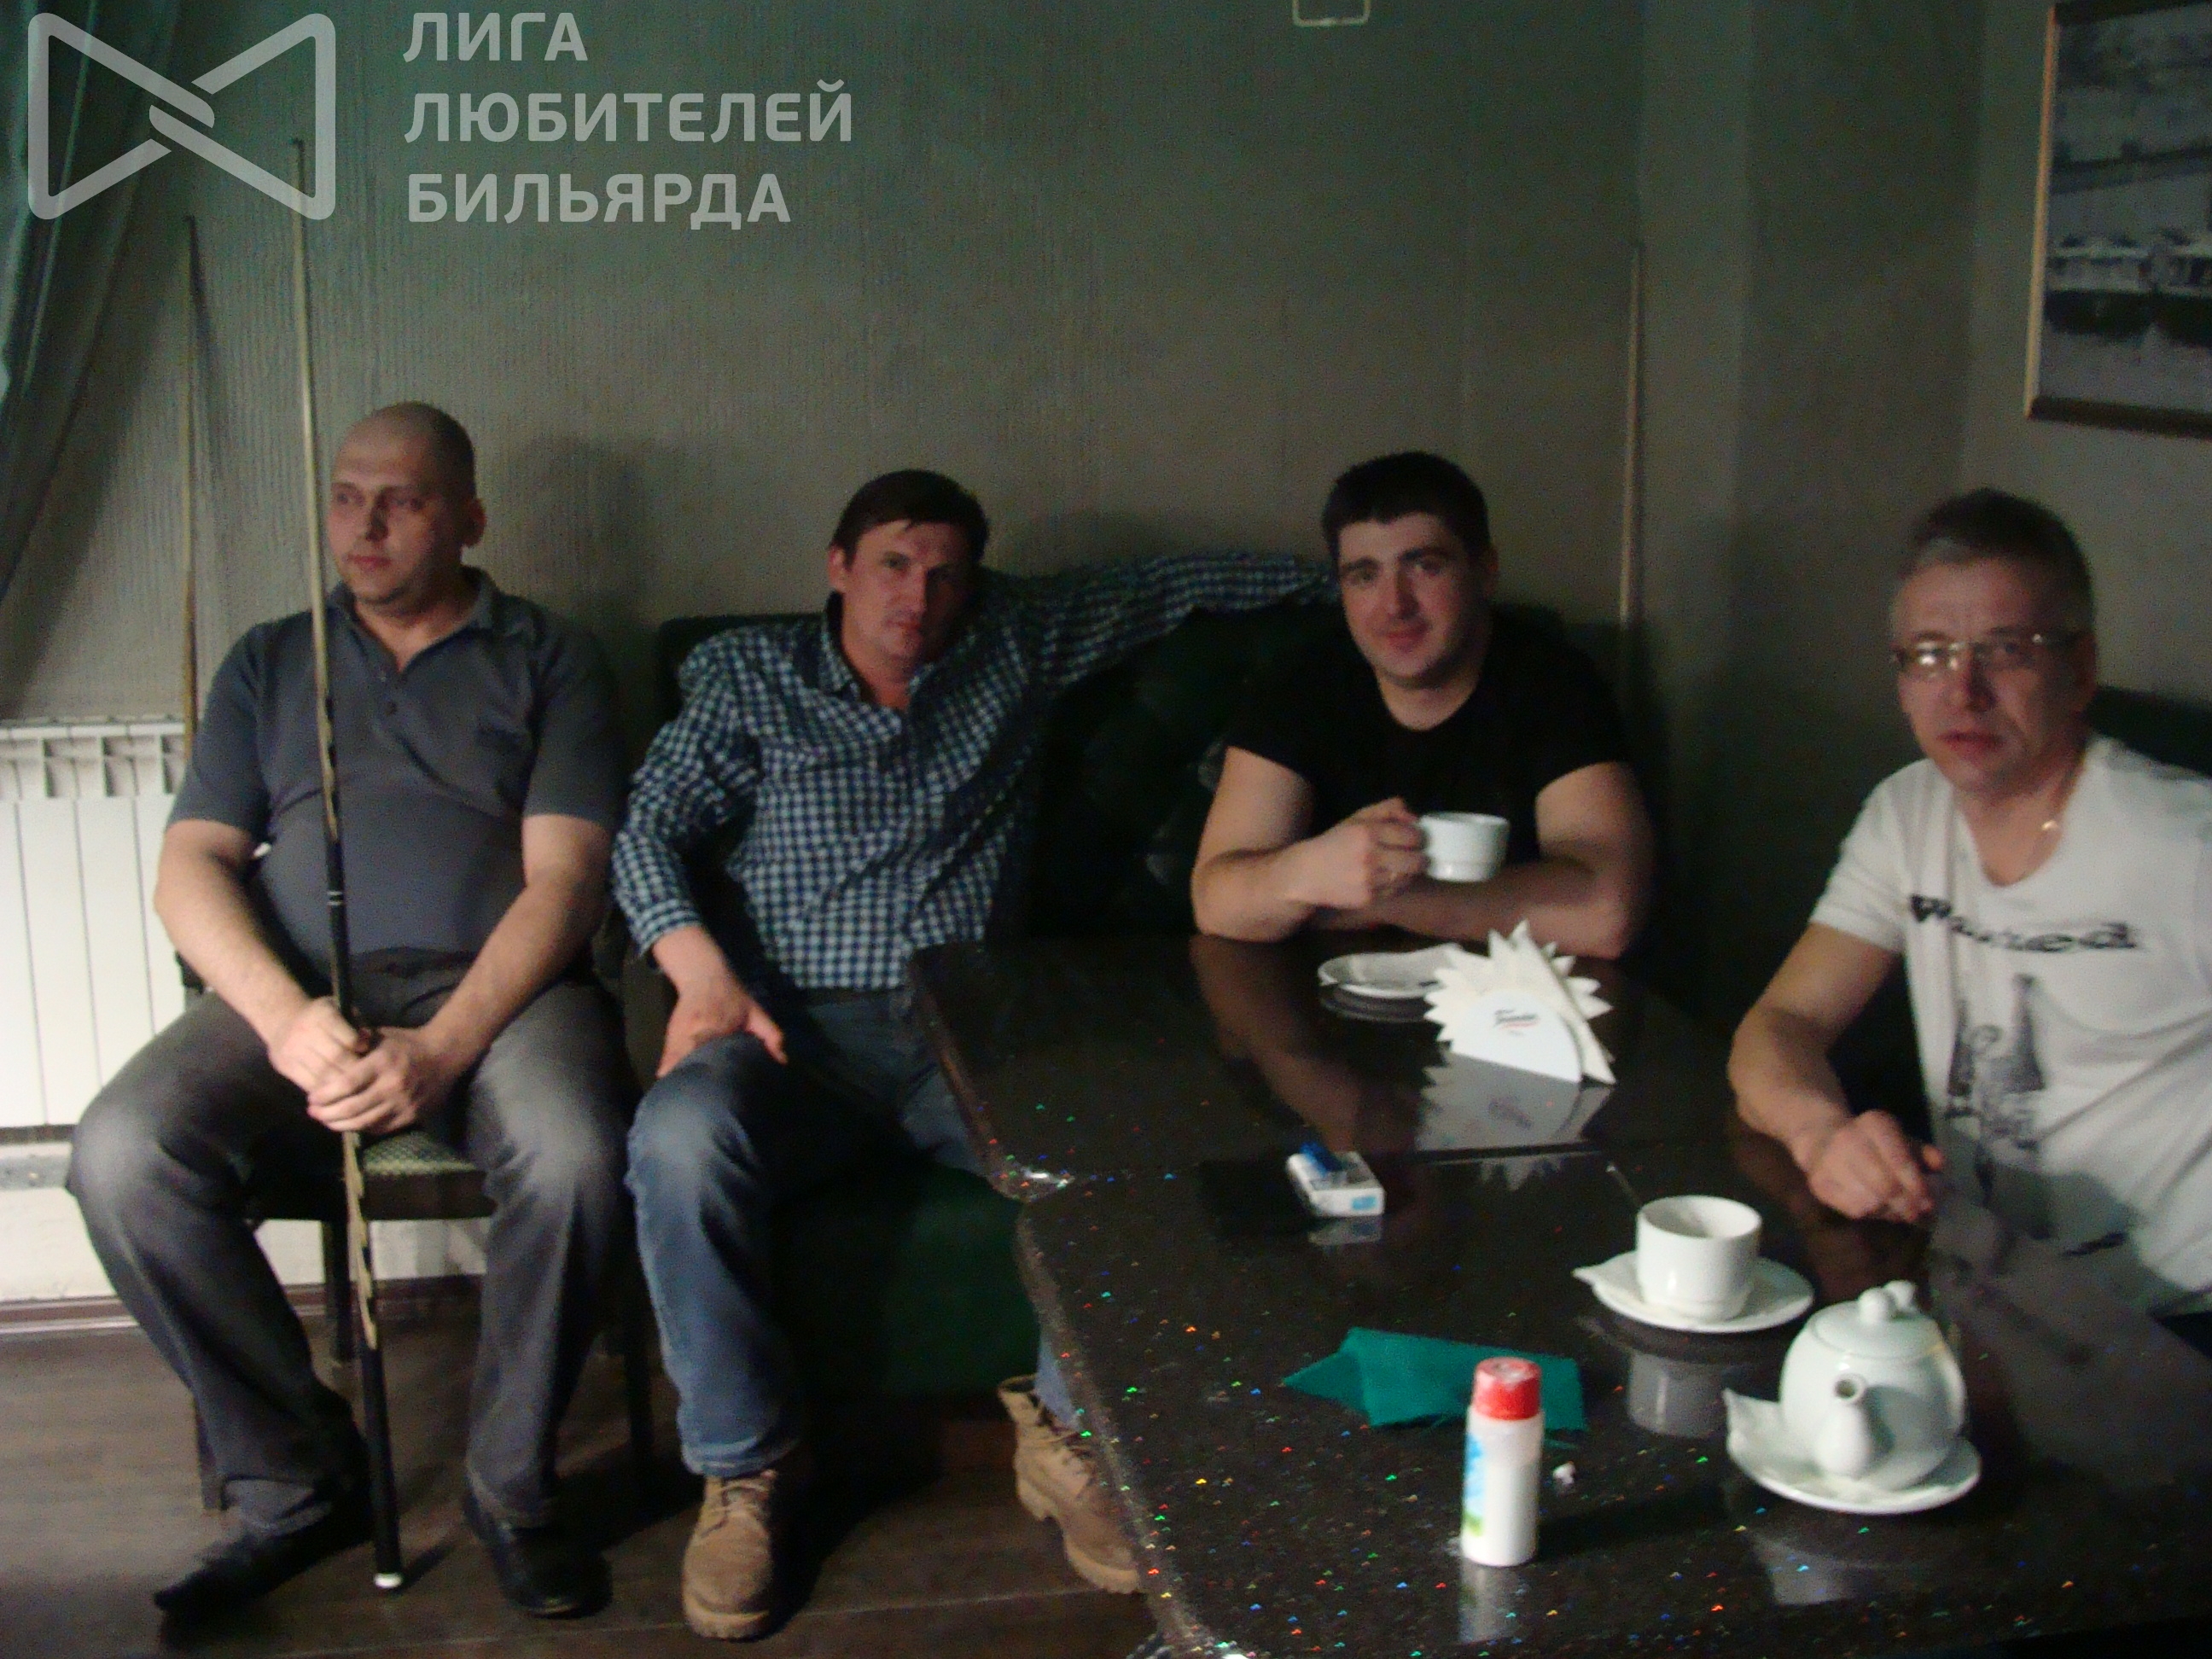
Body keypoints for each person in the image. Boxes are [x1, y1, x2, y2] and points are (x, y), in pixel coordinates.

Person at [611, 469, 1320, 1638]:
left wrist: (1353, 582)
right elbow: (647, 831)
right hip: (789, 1032)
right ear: (839, 566)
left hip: (969, 1031)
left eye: (946, 575)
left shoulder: (1014, 643)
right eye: (894, 564)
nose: (919, 597)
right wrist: (700, 974)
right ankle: (746, 1469)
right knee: (676, 1141)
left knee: (1122, 1133)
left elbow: (1176, 584)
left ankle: (1068, 1432)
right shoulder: (750, 675)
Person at [67, 405, 633, 1621]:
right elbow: (189, 867)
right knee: (119, 1156)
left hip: (503, 999)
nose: (364, 525)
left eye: (403, 500)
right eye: (345, 496)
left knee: (578, 1156)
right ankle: (295, 1477)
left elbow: (569, 881)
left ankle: (511, 1489)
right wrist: (285, 1018)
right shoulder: (273, 660)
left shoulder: (551, 656)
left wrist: (445, 1046)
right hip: (301, 994)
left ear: (470, 519)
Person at [1732, 488, 2212, 1318]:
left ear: (2080, 670)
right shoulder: (1907, 811)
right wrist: (1822, 1137)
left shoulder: (2183, 843)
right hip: (1989, 1292)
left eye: (2007, 650)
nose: (1964, 690)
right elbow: (1780, 1025)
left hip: (2167, 1332)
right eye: (1930, 655)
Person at [1190, 450, 1652, 957]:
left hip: (1502, 997)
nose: (1395, 605)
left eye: (1425, 566)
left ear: (1485, 572)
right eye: (1364, 576)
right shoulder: (1299, 680)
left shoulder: (1553, 681)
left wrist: (1374, 898)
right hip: (1320, 991)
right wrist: (1302, 871)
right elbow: (1215, 901)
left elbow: (1607, 913)